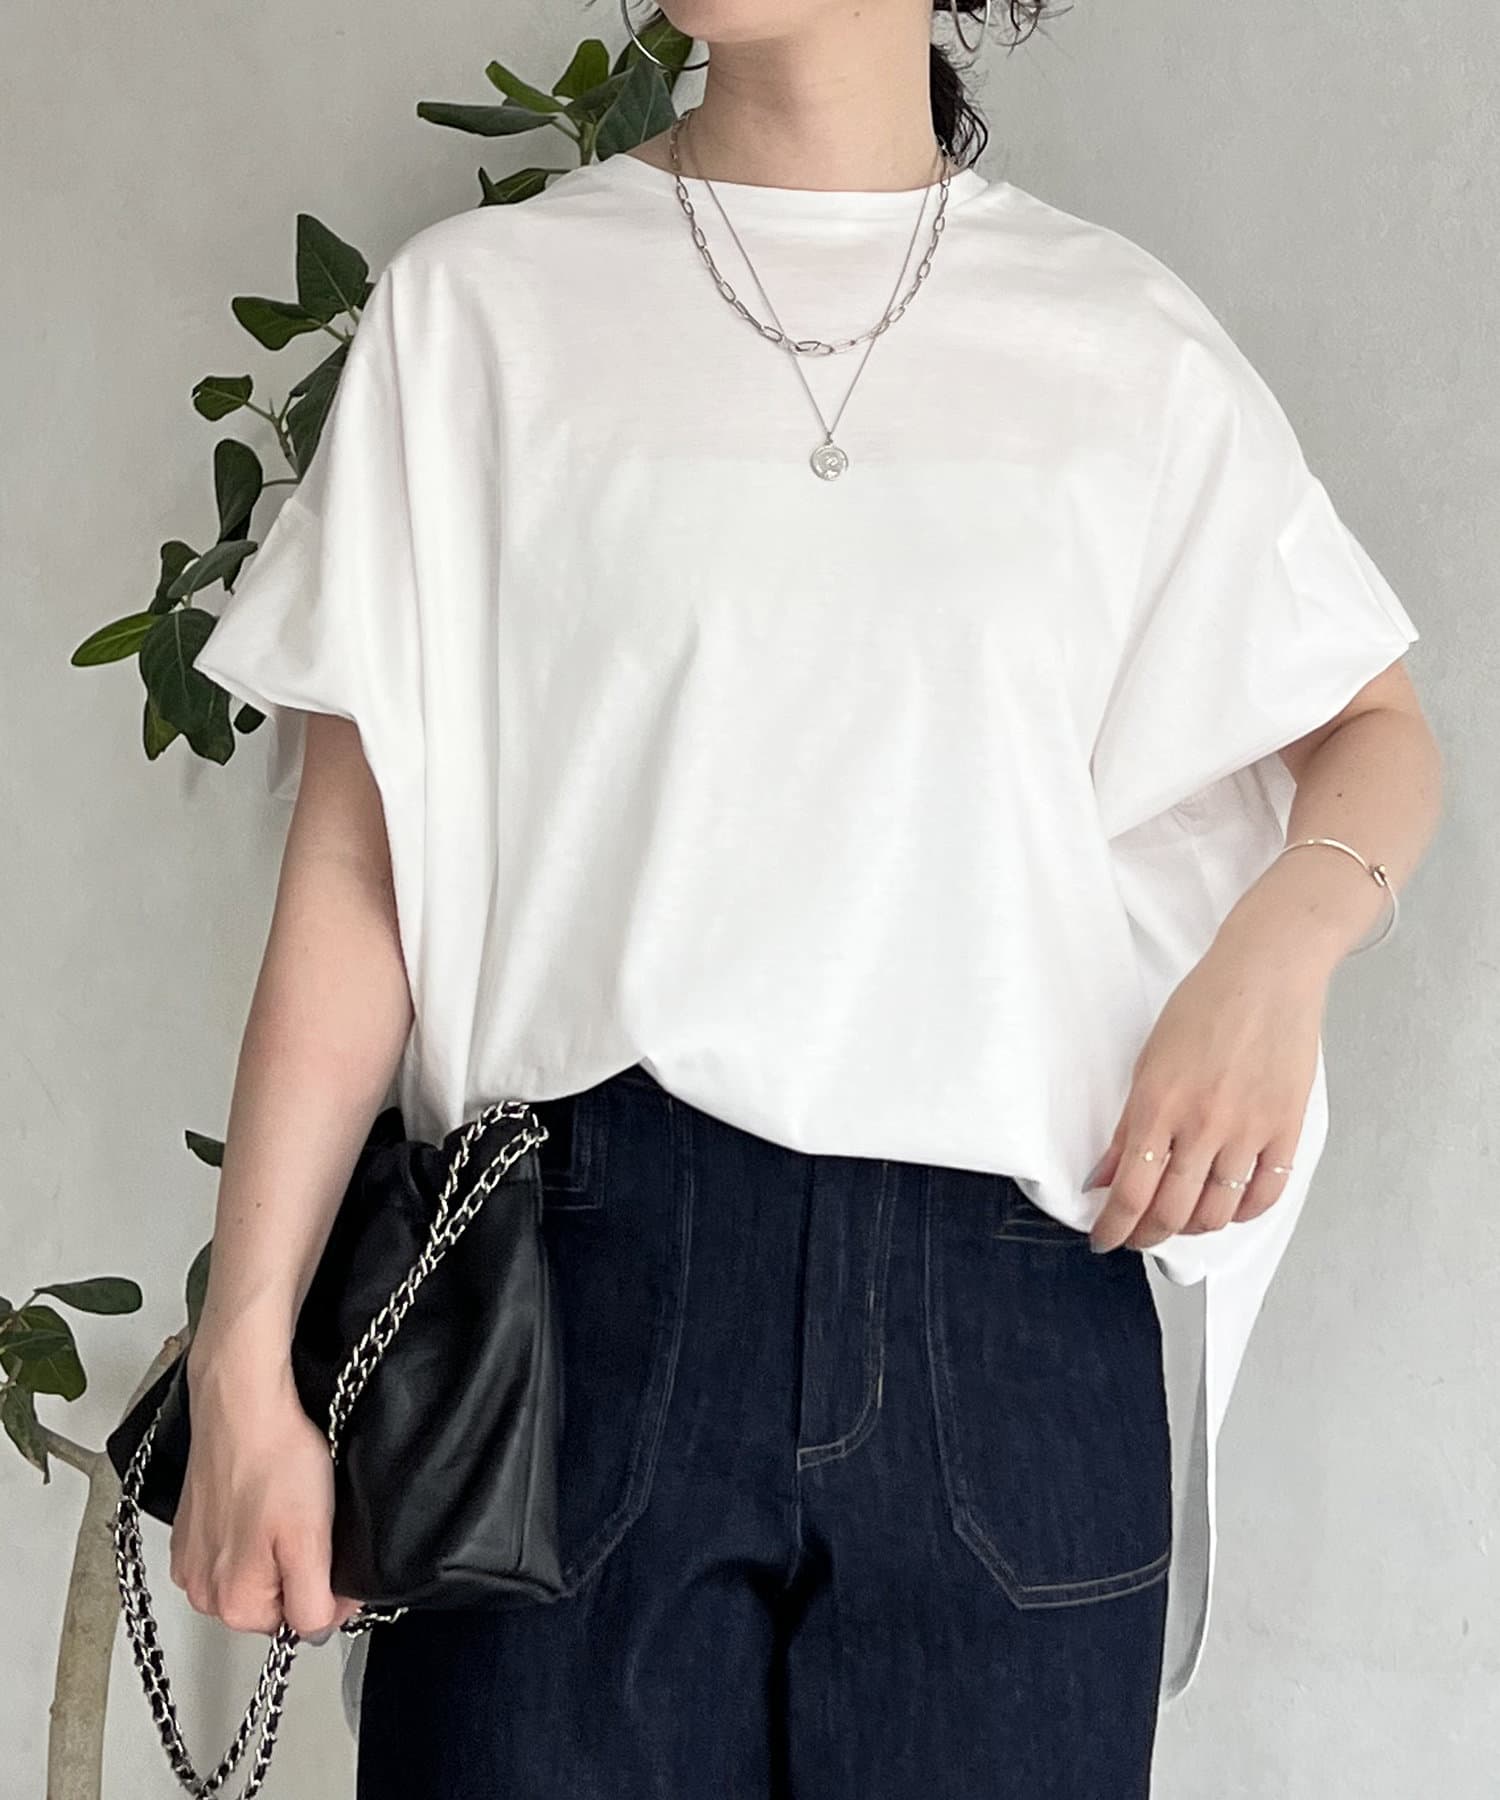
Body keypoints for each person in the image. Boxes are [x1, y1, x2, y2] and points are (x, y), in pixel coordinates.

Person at [176, 2, 1444, 1795]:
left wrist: (1281, 947)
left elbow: (1374, 730)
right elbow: (358, 867)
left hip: (1009, 1313)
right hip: (580, 1306)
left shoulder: (1120, 341)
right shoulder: (480, 313)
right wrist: (245, 1355)